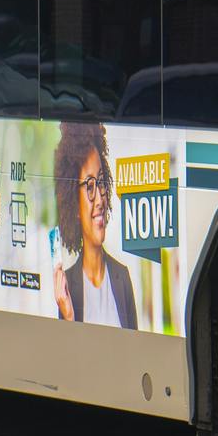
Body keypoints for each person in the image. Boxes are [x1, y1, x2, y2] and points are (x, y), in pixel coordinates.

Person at [51, 120, 137, 330]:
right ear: (74, 202)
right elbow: (66, 350)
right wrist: (68, 316)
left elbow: (137, 346)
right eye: (89, 187)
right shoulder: (67, 287)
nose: (99, 199)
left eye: (101, 182)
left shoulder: (122, 276)